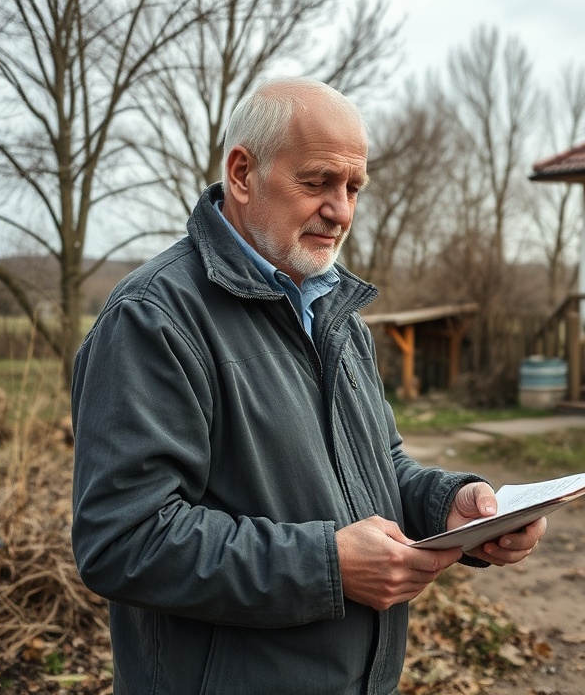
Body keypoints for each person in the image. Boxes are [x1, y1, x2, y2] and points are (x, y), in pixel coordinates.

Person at [70, 77, 546, 695]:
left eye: (353, 188)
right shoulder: (153, 319)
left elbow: (381, 468)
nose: (342, 210)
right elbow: (124, 539)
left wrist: (451, 508)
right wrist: (329, 565)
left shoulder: (337, 317)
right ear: (242, 173)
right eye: (317, 181)